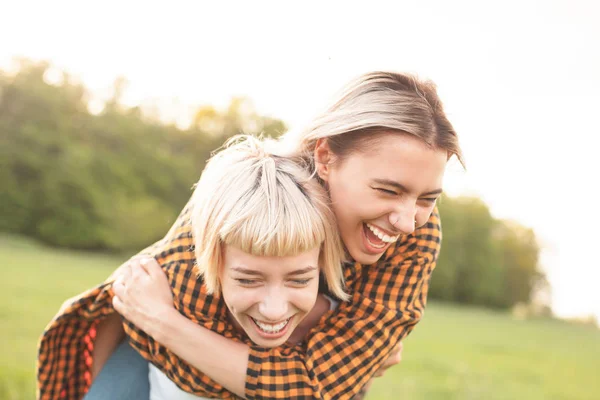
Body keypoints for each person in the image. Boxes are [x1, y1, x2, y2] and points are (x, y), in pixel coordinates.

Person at [38, 71, 463, 399]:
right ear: (325, 157)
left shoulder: (414, 235)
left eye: (428, 197)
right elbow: (141, 315)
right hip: (157, 362)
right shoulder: (245, 201)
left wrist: (165, 322)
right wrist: (161, 322)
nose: (408, 221)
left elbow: (319, 386)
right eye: (388, 190)